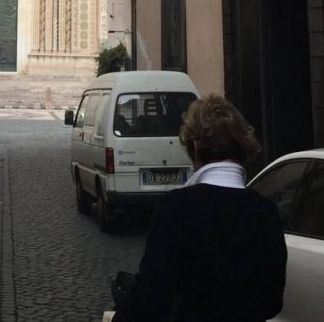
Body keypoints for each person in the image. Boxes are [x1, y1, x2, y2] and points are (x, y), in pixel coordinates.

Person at [111, 95, 286, 322]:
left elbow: (152, 298)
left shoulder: (176, 208)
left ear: (195, 145)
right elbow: (272, 301)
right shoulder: (266, 211)